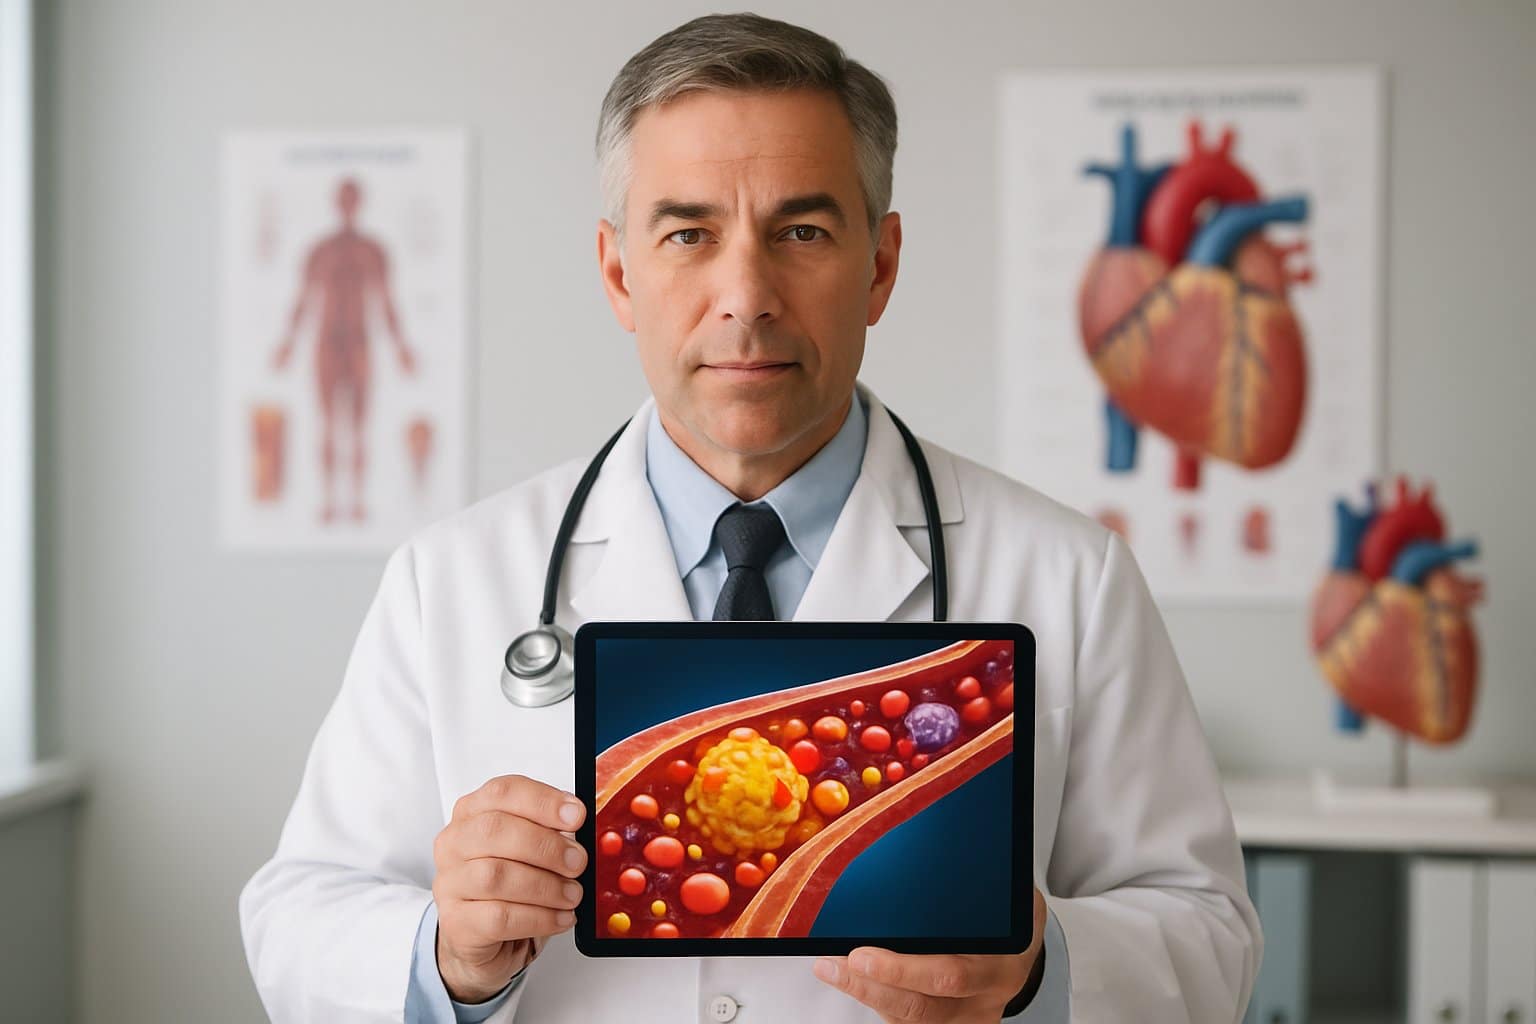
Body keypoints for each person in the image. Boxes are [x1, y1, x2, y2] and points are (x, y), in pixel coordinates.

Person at [240, 13, 1261, 1023]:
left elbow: (1210, 935)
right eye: (688, 233)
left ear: (880, 265)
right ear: (617, 272)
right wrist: (447, 951)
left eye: (802, 231)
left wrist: (1042, 971)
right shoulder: (454, 579)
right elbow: (299, 918)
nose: (745, 294)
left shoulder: (1067, 576)